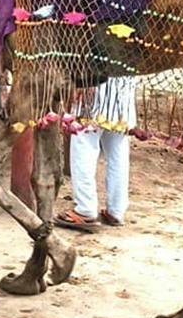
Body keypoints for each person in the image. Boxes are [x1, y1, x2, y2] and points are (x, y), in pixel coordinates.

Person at [55, 76, 137, 231]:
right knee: (117, 150)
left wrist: (84, 81)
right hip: (124, 86)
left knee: (83, 145)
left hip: (97, 84)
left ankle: (85, 210)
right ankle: (116, 210)